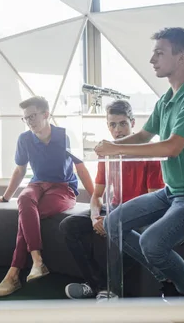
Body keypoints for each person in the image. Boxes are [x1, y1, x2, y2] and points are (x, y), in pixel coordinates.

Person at [96, 27, 184, 298]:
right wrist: (113, 147)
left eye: (159, 53)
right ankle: (171, 280)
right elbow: (144, 135)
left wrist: (116, 150)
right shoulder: (166, 99)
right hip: (173, 192)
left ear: (182, 56)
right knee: (113, 223)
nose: (152, 60)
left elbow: (172, 147)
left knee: (151, 242)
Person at [59, 100, 164, 300]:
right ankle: (100, 286)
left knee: (139, 235)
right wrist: (95, 217)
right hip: (114, 209)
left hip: (142, 213)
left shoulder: (149, 153)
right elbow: (97, 195)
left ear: (132, 123)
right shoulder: (106, 154)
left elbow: (152, 201)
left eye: (123, 123)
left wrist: (112, 221)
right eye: (113, 125)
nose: (118, 130)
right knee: (68, 225)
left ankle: (104, 289)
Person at [0, 96, 95, 297]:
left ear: (46, 114)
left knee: (27, 216)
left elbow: (80, 169)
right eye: (26, 118)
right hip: (37, 184)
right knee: (23, 199)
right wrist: (5, 198)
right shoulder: (25, 139)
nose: (29, 121)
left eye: (33, 116)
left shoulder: (64, 135)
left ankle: (13, 273)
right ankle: (37, 261)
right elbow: (20, 170)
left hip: (63, 187)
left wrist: (95, 199)